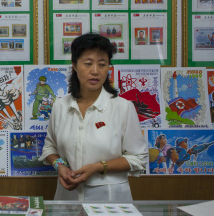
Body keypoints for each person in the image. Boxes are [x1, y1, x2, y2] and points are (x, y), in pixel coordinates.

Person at [39, 33, 148, 201]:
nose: (95, 71)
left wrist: (98, 167)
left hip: (111, 206)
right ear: (74, 66)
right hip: (68, 201)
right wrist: (60, 165)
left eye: (102, 64)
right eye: (88, 64)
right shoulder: (60, 106)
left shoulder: (123, 107)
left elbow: (138, 158)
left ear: (108, 68)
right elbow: (50, 148)